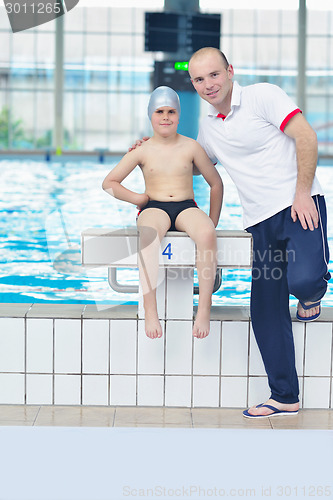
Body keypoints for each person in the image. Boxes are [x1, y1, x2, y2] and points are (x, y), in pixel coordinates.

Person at [132, 48, 330, 418]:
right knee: (265, 308)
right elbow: (194, 164)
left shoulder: (263, 96)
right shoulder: (208, 125)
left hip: (299, 203)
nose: (208, 84)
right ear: (192, 83)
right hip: (259, 221)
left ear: (229, 72)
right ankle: (285, 396)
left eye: (214, 75)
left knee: (304, 279)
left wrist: (302, 193)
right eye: (199, 79)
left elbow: (306, 137)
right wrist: (153, 152)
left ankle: (311, 297)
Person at [102, 85, 223, 340]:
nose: (166, 117)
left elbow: (216, 183)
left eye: (171, 111)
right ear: (150, 115)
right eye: (159, 111)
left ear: (179, 114)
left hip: (186, 206)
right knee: (148, 237)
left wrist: (212, 222)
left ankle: (203, 309)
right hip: (154, 207)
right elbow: (109, 183)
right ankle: (150, 308)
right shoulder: (142, 150)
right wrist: (139, 198)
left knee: (206, 234)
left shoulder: (191, 147)